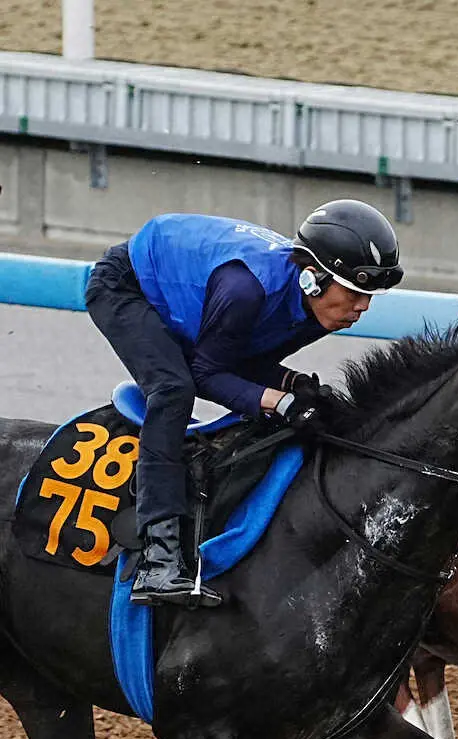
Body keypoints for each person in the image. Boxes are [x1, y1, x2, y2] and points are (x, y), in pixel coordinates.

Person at [84, 198, 404, 607]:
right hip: (127, 288)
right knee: (173, 390)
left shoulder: (320, 310)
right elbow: (205, 373)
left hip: (202, 301)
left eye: (370, 296)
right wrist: (276, 401)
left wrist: (295, 389)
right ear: (312, 279)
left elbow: (247, 361)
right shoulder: (245, 291)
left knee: (300, 395)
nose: (363, 307)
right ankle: (158, 559)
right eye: (356, 292)